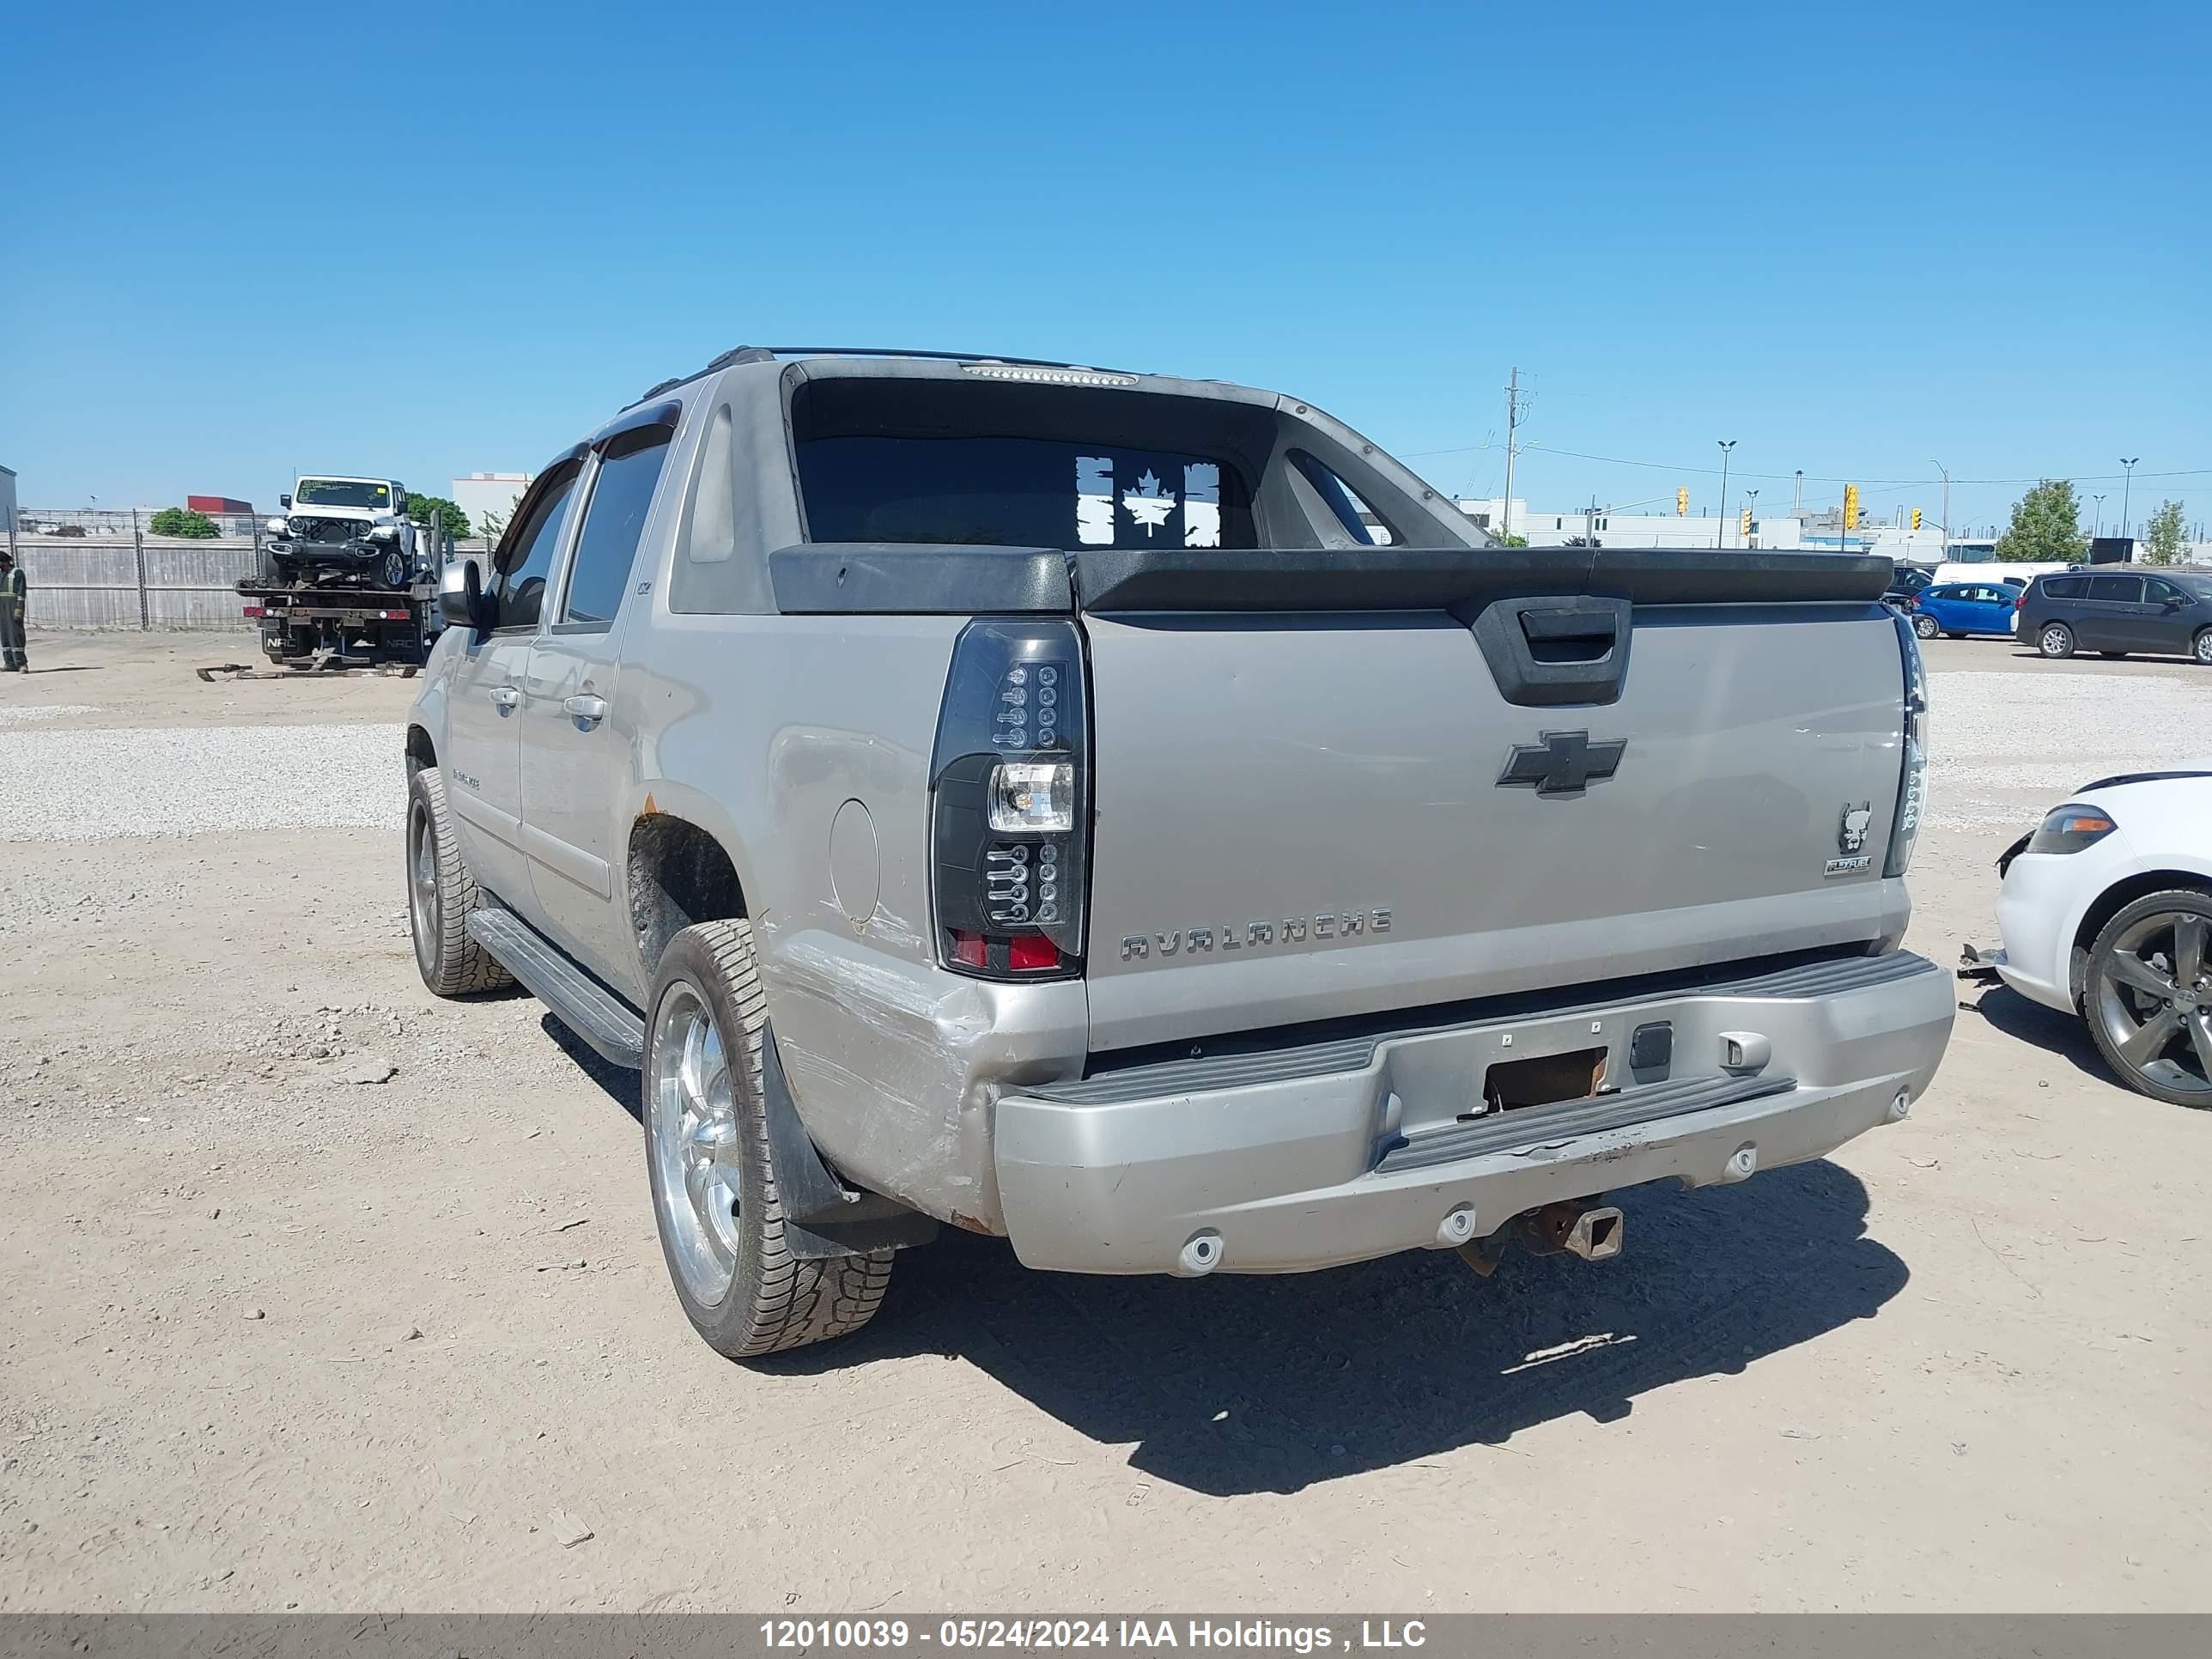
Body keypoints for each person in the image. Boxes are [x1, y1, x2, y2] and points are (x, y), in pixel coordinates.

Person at [0, 550, 26, 672]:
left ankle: (21, 663)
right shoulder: (1, 574)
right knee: (4, 634)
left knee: (16, 634)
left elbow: (21, 592)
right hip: (2, 606)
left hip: (13, 605)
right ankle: (9, 663)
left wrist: (19, 608)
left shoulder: (18, 572)